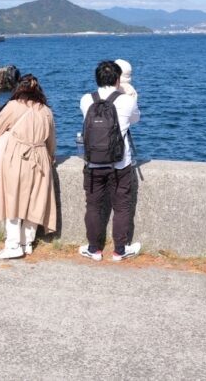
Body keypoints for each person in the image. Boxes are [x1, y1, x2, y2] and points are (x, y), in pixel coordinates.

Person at [0, 74, 57, 259]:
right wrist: (49, 156)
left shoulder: (13, 106)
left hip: (17, 155)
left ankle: (12, 245)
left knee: (12, 200)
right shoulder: (46, 111)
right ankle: (27, 242)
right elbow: (51, 140)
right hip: (40, 156)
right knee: (35, 200)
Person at [79, 60, 141, 262]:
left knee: (94, 206)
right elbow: (135, 120)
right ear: (117, 79)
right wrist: (129, 93)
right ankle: (120, 250)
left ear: (97, 79)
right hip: (120, 164)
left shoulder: (86, 99)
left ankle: (93, 249)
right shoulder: (127, 100)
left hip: (93, 163)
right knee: (122, 206)